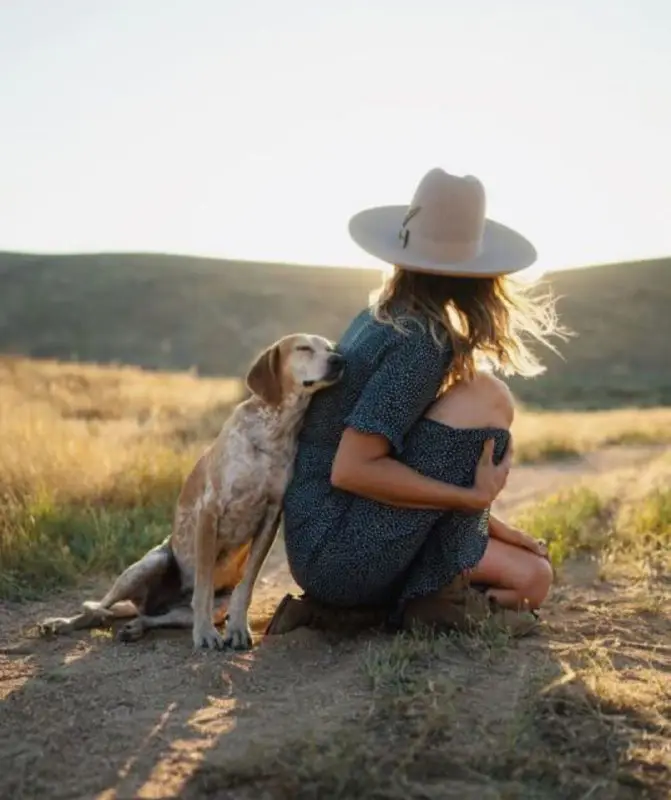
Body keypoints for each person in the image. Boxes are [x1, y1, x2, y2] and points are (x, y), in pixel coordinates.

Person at [267, 168, 564, 638]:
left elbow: (415, 462)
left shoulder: (382, 316)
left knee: (534, 575)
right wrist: (472, 499)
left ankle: (407, 598)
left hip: (322, 544)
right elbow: (353, 470)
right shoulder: (422, 341)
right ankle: (428, 602)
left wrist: (496, 525)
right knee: (488, 397)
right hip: (341, 555)